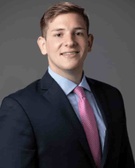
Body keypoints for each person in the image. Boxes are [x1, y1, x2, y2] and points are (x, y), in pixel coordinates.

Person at [0, 2, 134, 168]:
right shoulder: (19, 107)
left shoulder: (112, 96)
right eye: (58, 35)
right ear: (43, 45)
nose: (70, 42)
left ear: (89, 42)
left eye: (78, 33)